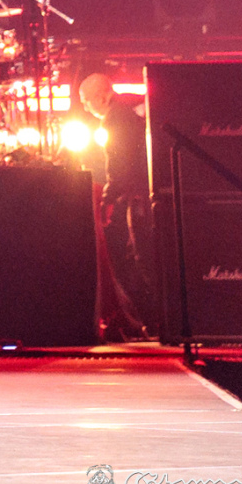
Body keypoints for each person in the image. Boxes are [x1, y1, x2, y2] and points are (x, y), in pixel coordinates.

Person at [80, 72, 157, 339]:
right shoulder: (129, 111)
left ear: (102, 96)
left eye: (87, 101)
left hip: (136, 195)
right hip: (143, 192)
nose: (86, 108)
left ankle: (157, 321)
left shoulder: (115, 118)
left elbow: (118, 164)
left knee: (141, 259)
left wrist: (107, 199)